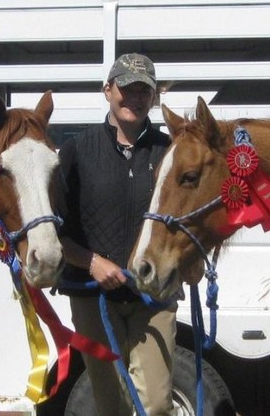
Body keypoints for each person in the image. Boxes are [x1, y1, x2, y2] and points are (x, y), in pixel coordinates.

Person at [57, 53, 177, 416]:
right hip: (93, 298)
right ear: (107, 90)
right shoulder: (76, 150)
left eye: (145, 91)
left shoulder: (168, 150)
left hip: (152, 298)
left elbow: (185, 221)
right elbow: (54, 231)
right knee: (111, 404)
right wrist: (90, 262)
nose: (135, 98)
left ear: (154, 98)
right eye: (127, 88)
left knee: (155, 405)